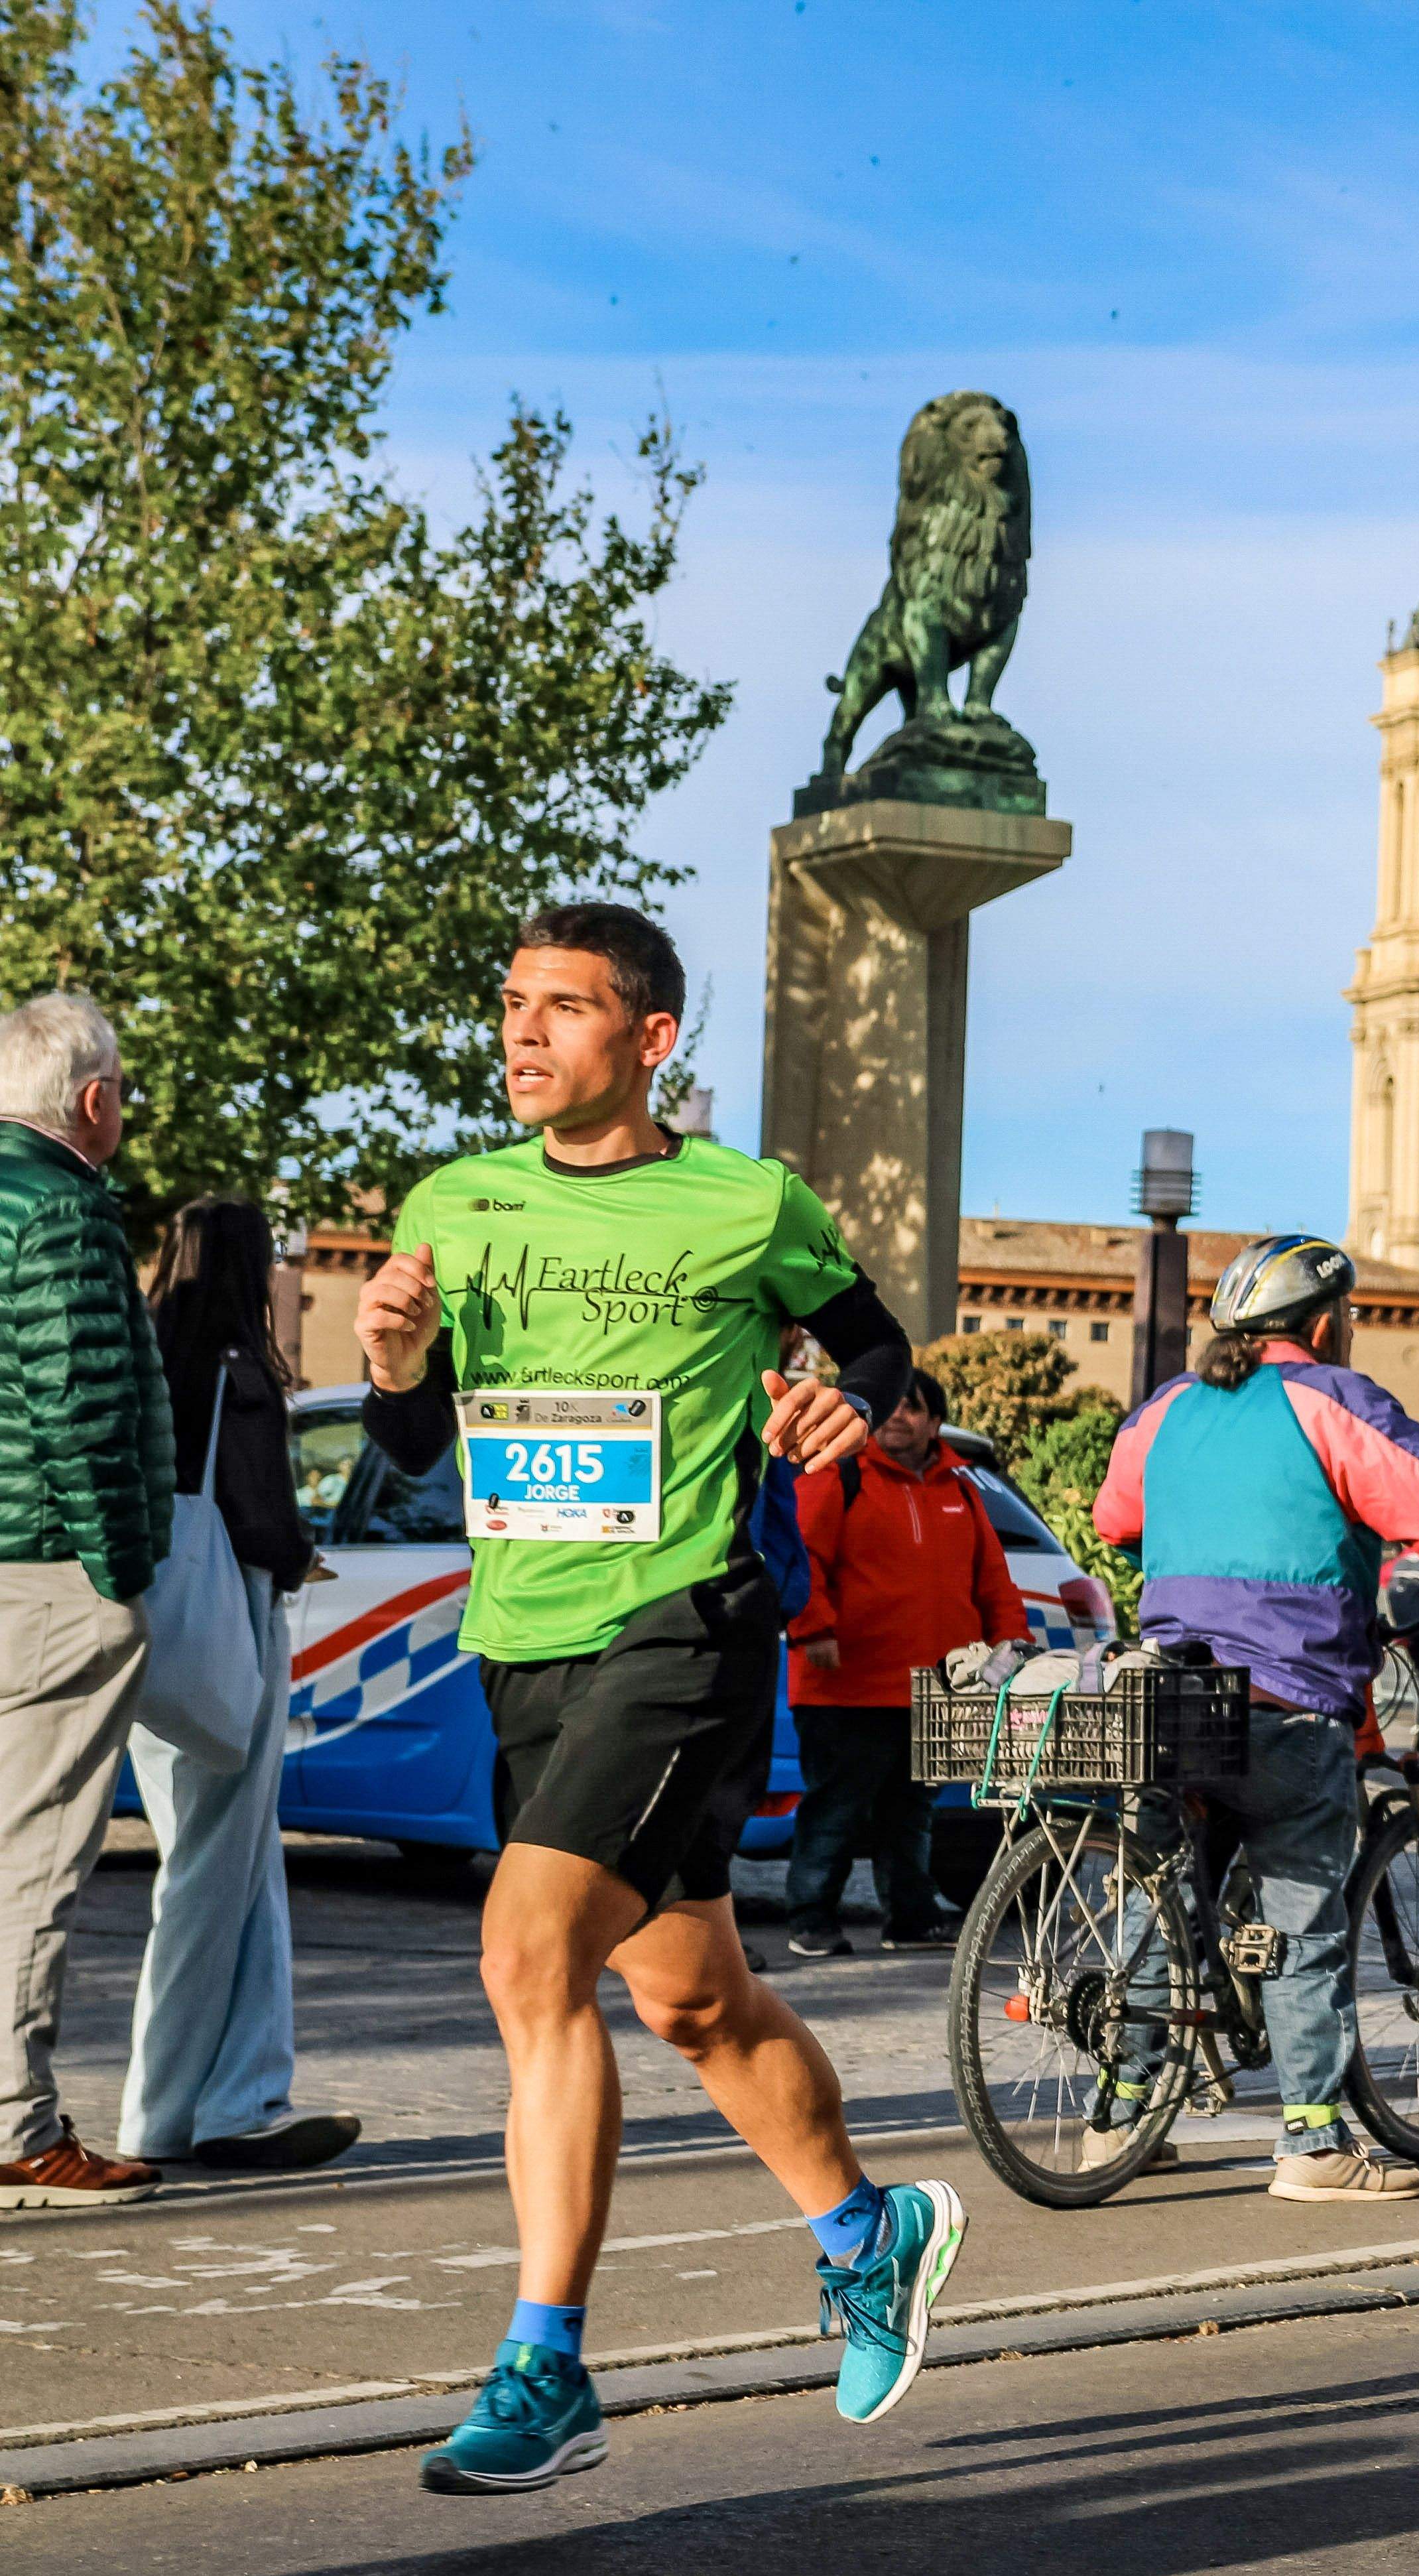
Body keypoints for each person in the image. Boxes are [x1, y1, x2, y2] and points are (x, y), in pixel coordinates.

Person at [358, 905, 953, 2491]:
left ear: (651, 1037)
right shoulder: (455, 1204)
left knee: (525, 1950)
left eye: (563, 1005)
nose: (523, 1031)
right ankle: (870, 2227)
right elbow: (415, 1446)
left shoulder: (747, 1201)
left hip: (686, 1622)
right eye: (512, 1002)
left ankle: (546, 2362)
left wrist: (843, 1402)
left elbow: (877, 1343)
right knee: (690, 1996)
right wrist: (401, 1364)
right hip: (523, 1638)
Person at [1091, 1232, 1419, 2202]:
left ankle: (1118, 2118)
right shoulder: (1332, 1399)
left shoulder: (1167, 1407)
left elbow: (1116, 1519)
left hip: (1169, 1692)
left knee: (1154, 1899)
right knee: (1303, 1909)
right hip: (1287, 1694)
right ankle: (1313, 2142)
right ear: (1326, 1327)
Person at [121, 1199, 358, 2171]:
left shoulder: (146, 1355)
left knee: (230, 1859)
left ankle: (235, 2096)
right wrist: (300, 1555)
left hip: (158, 1626)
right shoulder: (238, 1370)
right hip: (233, 1619)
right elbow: (260, 1515)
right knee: (217, 1866)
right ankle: (175, 2108)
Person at [0, 992, 173, 2209]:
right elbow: (85, 1404)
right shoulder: (61, 1208)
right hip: (47, 1569)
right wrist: (122, 1570)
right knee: (32, 1854)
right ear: (95, 1099)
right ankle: (16, 2125)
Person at [783, 1369, 1020, 1957]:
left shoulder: (962, 1491)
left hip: (934, 1688)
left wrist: (1013, 1647)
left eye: (913, 1407)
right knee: (834, 1810)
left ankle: (910, 1920)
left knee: (911, 1813)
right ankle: (811, 1920)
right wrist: (814, 1630)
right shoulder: (838, 1474)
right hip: (845, 1685)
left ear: (935, 1422)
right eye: (889, 1405)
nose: (898, 1416)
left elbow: (993, 1581)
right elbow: (802, 1556)